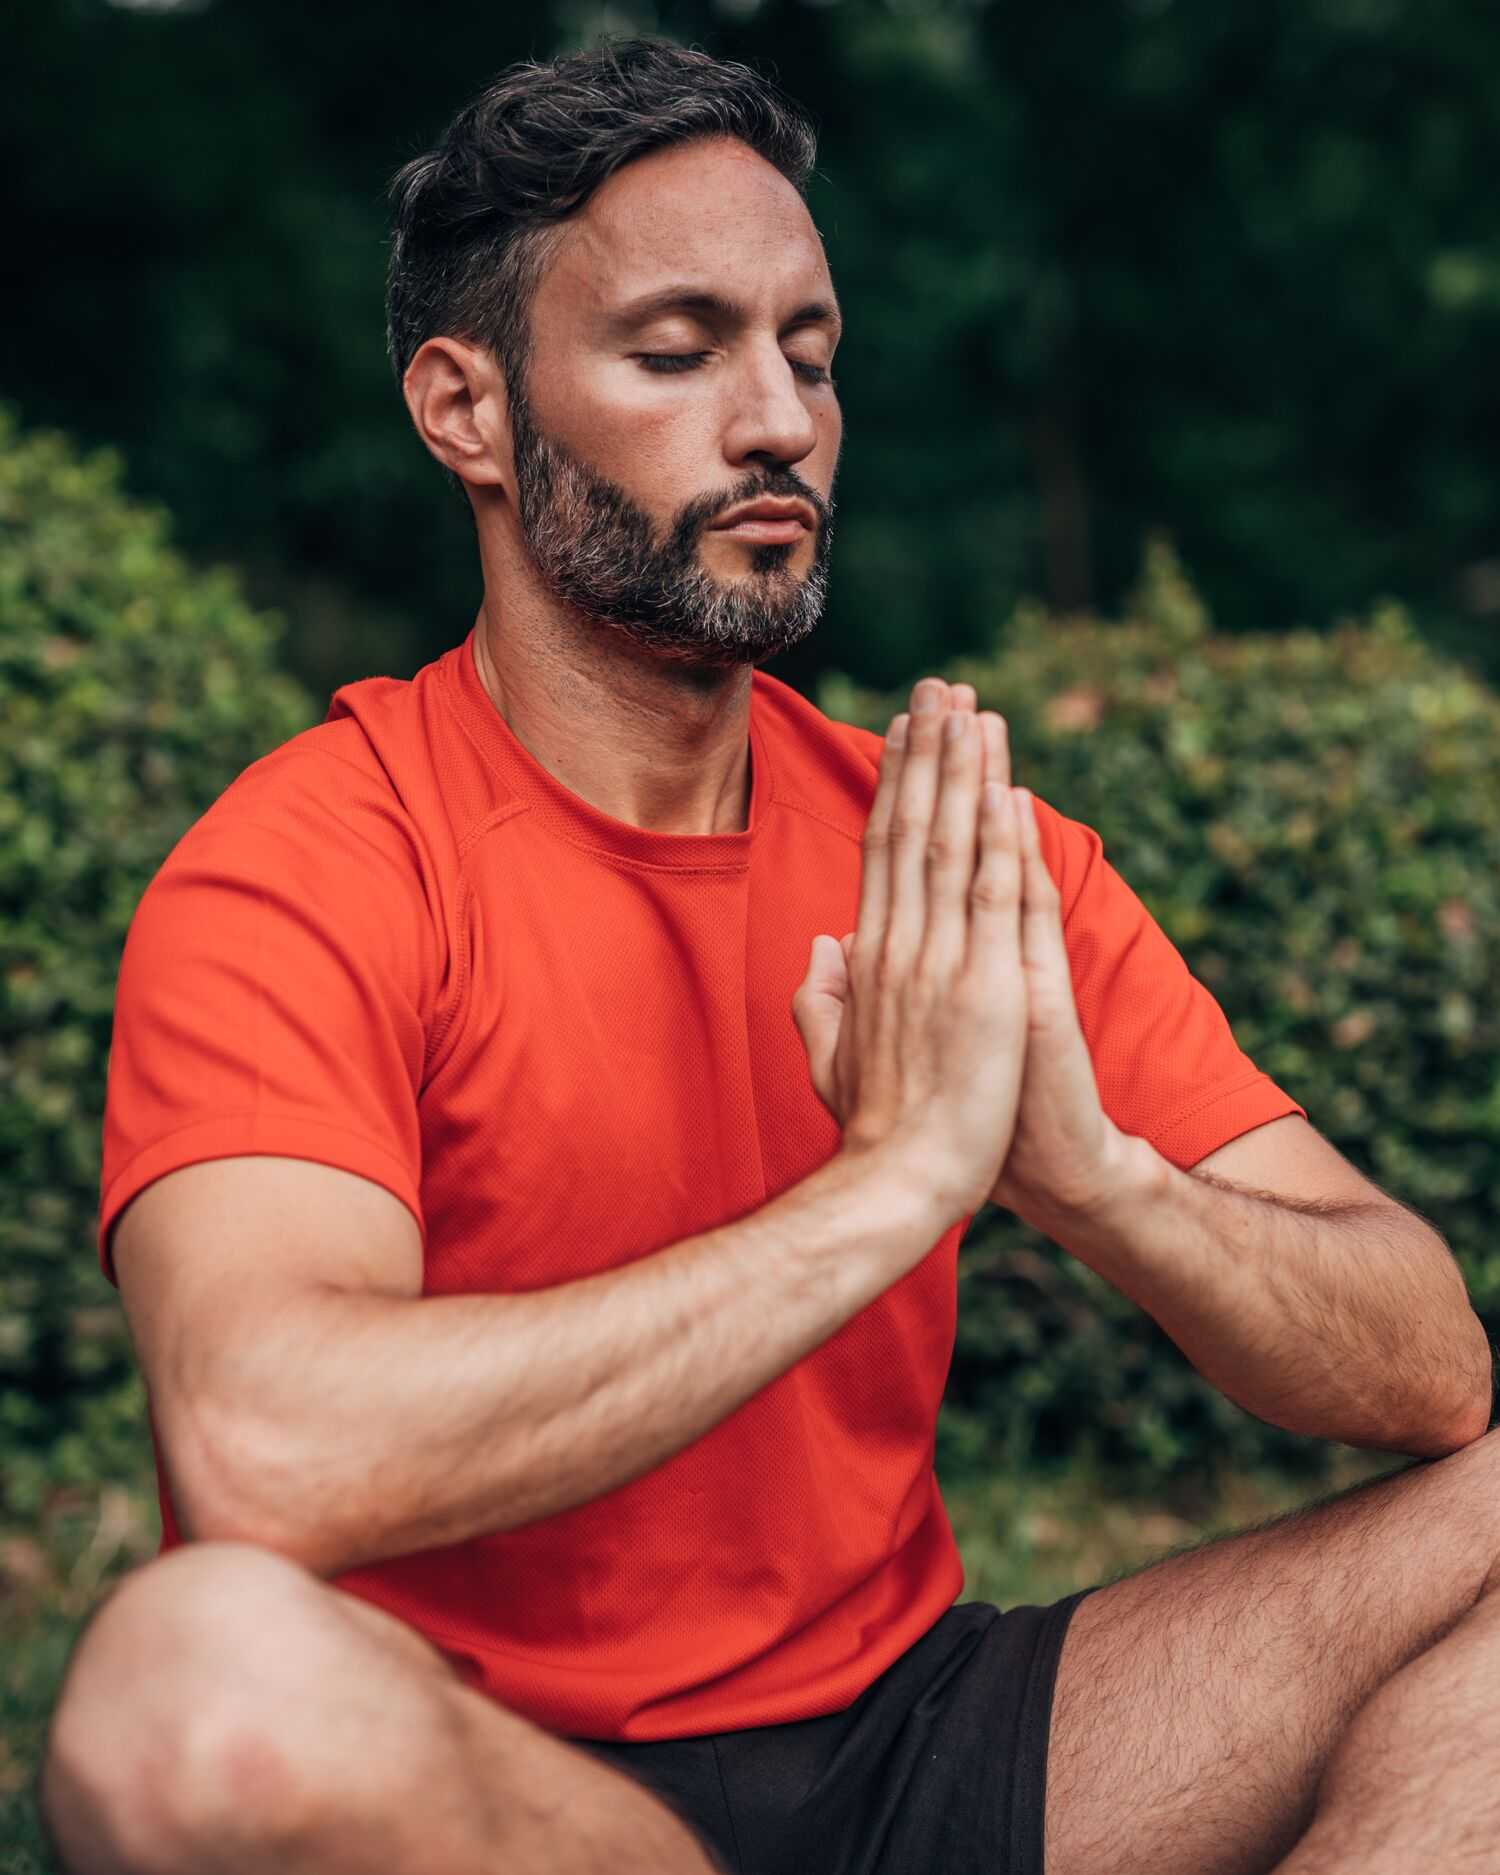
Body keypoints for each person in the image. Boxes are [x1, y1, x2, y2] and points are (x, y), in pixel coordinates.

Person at [40, 35, 1495, 1875]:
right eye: (678, 351)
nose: (779, 421)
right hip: (504, 1793)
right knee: (191, 1685)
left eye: (809, 355)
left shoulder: (954, 856)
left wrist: (1108, 1186)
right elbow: (267, 1448)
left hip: (919, 1750)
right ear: (465, 411)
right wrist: (892, 1189)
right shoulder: (312, 866)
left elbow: (1434, 1368)